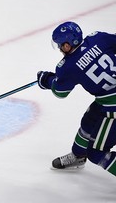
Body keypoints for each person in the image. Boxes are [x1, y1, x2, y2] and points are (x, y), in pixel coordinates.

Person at [37, 21, 116, 177]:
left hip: (113, 108)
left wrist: (46, 80)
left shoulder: (67, 67)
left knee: (96, 153)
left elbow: (60, 92)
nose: (60, 49)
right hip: (104, 100)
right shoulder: (98, 38)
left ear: (67, 45)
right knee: (89, 120)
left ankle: (86, 154)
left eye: (60, 45)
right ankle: (78, 155)